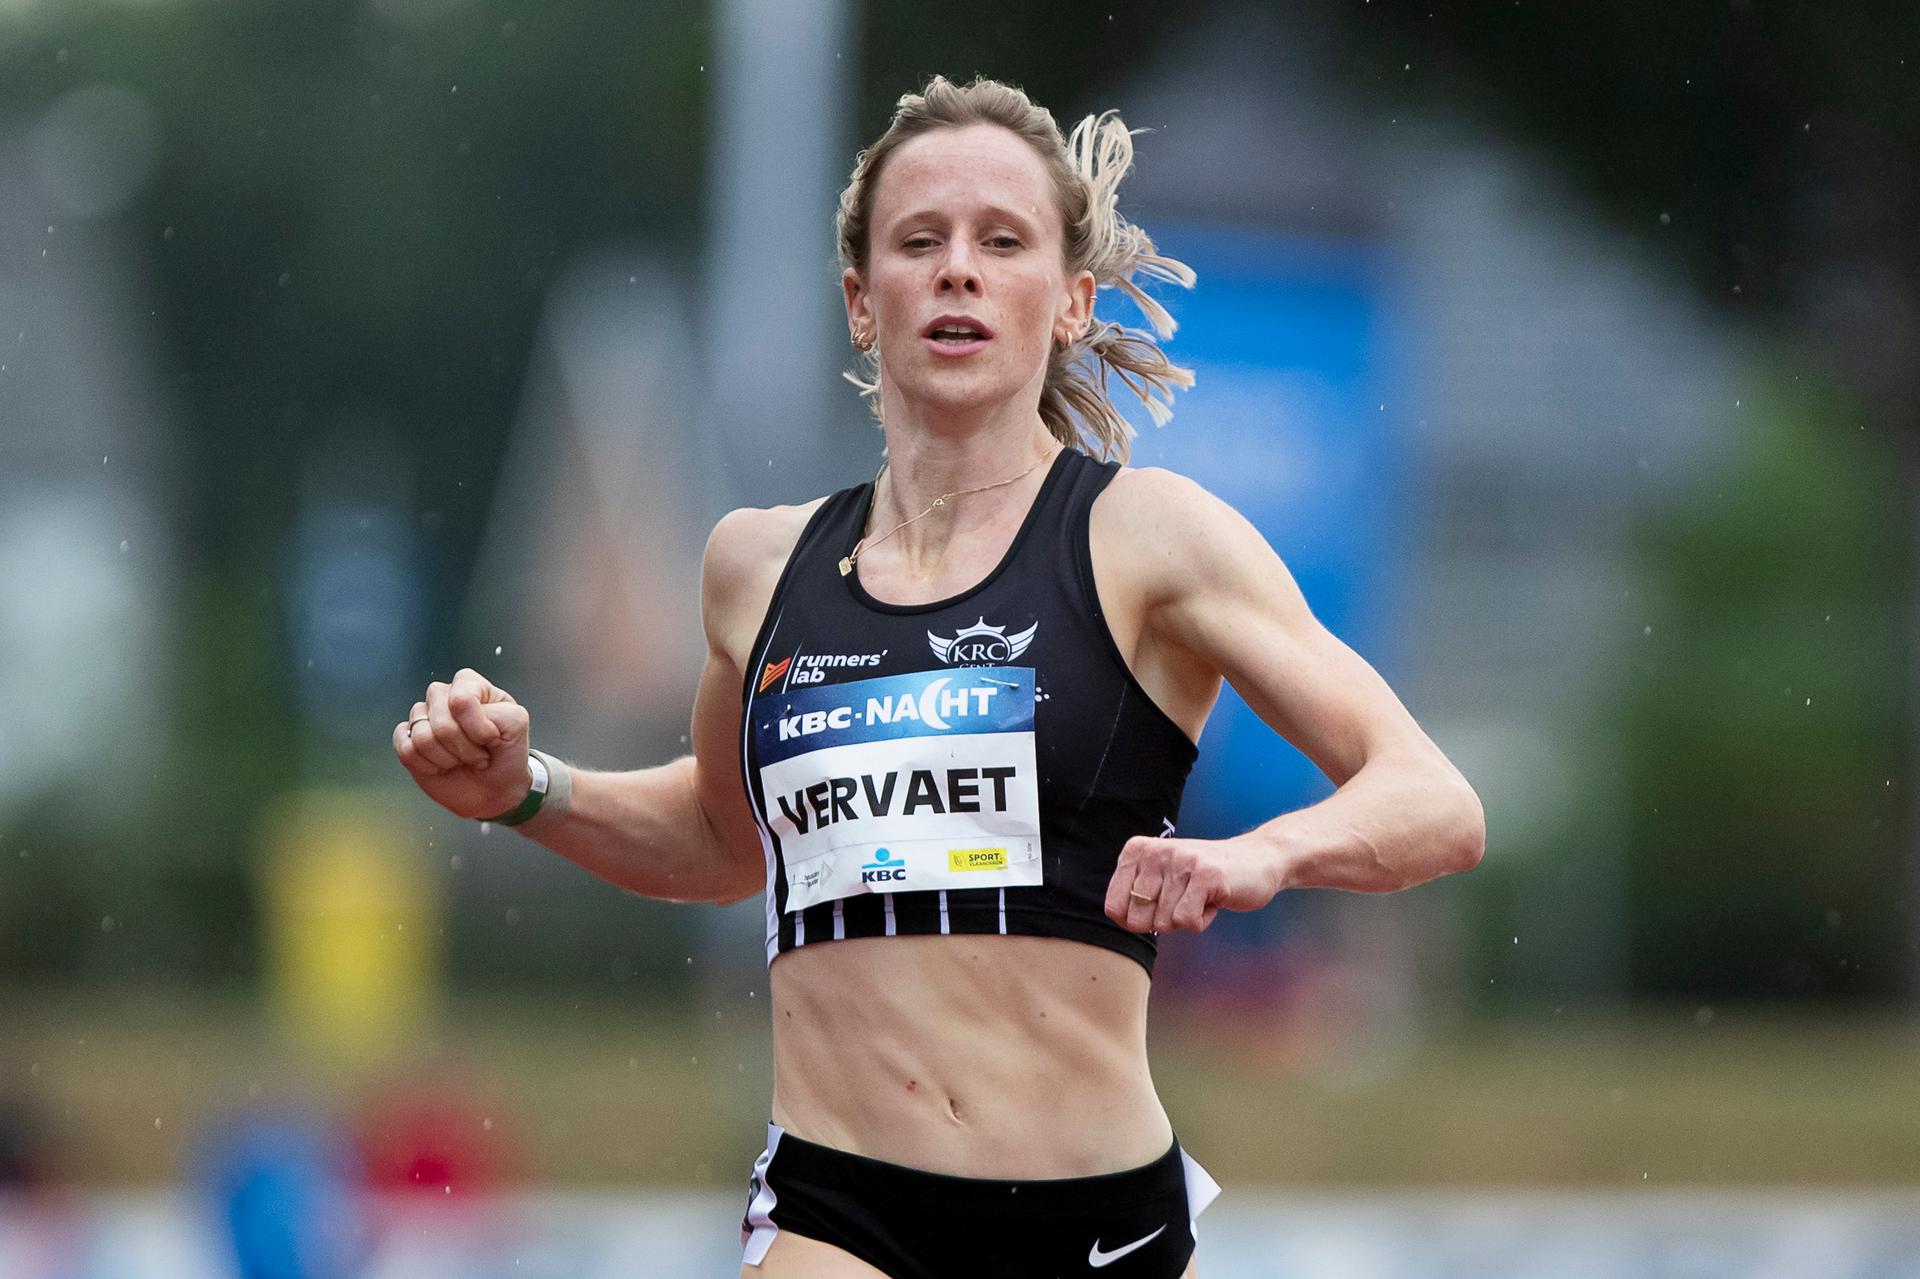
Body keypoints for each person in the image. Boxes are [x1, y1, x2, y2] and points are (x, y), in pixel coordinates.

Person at [393, 74, 1485, 1279]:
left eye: (1001, 242)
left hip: (1091, 1223)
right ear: (863, 302)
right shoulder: (757, 569)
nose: (958, 270)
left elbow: (1435, 803)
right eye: (921, 242)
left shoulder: (1150, 542)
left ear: (1070, 301)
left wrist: (1262, 856)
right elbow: (722, 839)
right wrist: (528, 790)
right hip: (837, 1207)